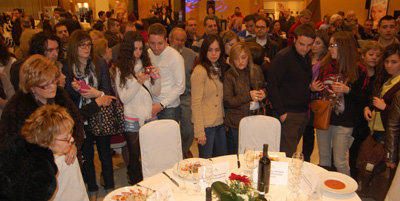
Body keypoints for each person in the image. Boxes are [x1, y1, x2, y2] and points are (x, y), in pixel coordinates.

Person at [0, 55, 84, 167]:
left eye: (54, 81)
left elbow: (77, 121)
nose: (53, 87)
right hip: (35, 167)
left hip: (66, 159)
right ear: (31, 87)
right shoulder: (16, 107)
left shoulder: (60, 94)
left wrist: (73, 145)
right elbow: (12, 145)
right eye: (46, 85)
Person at [62, 30, 114, 200]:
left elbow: (108, 92)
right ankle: (91, 189)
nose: (86, 48)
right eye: (81, 45)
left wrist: (95, 93)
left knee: (105, 155)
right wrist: (75, 90)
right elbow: (67, 98)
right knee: (87, 158)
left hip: (100, 116)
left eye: (88, 44)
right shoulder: (67, 67)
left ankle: (110, 186)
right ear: (74, 47)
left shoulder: (99, 63)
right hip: (81, 118)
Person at [312, 32, 368, 175]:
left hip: (345, 121)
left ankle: (346, 194)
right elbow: (318, 92)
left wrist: (348, 90)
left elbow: (365, 99)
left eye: (332, 45)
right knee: (324, 159)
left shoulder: (359, 70)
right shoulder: (324, 66)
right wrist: (313, 89)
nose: (329, 48)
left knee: (340, 161)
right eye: (329, 45)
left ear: (343, 47)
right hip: (324, 117)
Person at [115, 31, 161, 184]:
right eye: (135, 49)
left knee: (151, 152)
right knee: (135, 155)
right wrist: (138, 83)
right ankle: (136, 184)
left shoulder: (147, 65)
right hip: (132, 117)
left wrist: (157, 78)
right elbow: (124, 98)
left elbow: (156, 92)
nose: (138, 52)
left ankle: (151, 182)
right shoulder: (120, 70)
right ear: (128, 50)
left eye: (141, 49)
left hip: (149, 115)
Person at [22, 105, 89, 201]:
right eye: (66, 138)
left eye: (71, 133)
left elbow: (77, 192)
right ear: (47, 140)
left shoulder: (65, 151)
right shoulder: (37, 169)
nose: (72, 139)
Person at [267, 24, 316, 157]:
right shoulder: (283, 57)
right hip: (288, 113)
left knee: (291, 151)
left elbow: (300, 82)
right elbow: (272, 85)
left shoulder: (306, 57)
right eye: (301, 44)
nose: (305, 48)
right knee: (285, 156)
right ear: (294, 40)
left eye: (309, 45)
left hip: (302, 112)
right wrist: (281, 112)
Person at [349, 41, 383, 178]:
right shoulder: (356, 72)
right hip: (354, 116)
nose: (374, 57)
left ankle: (359, 176)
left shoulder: (380, 76)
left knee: (362, 149)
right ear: (363, 55)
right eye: (371, 54)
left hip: (368, 119)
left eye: (378, 55)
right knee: (349, 148)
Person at [224, 42, 266, 154]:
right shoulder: (229, 75)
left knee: (255, 152)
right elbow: (228, 101)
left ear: (248, 57)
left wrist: (264, 93)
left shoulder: (256, 70)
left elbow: (265, 87)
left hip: (256, 117)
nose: (240, 62)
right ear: (232, 60)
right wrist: (248, 96)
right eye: (237, 59)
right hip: (236, 122)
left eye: (243, 57)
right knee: (237, 154)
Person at [191, 34, 227, 158]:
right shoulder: (200, 71)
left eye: (217, 50)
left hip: (219, 122)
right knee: (206, 162)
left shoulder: (220, 68)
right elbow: (195, 103)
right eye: (210, 50)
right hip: (206, 125)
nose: (213, 53)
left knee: (221, 160)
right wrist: (199, 131)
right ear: (204, 51)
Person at [301, 30, 330, 162]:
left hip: (315, 101)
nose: (314, 46)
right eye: (313, 42)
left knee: (309, 130)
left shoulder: (324, 63)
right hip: (302, 98)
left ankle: (306, 158)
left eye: (318, 43)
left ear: (324, 46)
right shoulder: (304, 57)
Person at [169, 27, 198, 158]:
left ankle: (185, 147)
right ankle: (174, 152)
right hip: (168, 97)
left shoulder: (191, 55)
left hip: (185, 95)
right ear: (170, 39)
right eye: (177, 39)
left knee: (189, 128)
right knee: (170, 127)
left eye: (182, 40)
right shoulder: (163, 53)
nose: (179, 43)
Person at [147, 23, 185, 123]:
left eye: (160, 43)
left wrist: (161, 104)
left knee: (169, 138)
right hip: (151, 104)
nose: (156, 47)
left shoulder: (175, 57)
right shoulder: (148, 53)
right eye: (152, 43)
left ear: (166, 40)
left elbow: (180, 86)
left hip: (169, 108)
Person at [384, 43, 400, 201]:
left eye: (394, 62)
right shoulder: (389, 80)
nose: (389, 65)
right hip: (385, 134)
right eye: (387, 61)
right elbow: (393, 125)